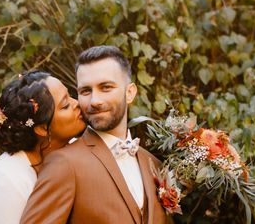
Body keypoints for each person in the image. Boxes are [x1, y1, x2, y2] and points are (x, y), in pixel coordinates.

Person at [20, 45, 170, 224]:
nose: (95, 101)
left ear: (129, 93)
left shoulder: (155, 165)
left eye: (106, 87)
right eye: (85, 91)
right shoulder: (64, 164)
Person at [0, 70, 86, 224]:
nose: (78, 104)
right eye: (66, 105)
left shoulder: (77, 151)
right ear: (41, 128)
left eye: (70, 96)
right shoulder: (6, 182)